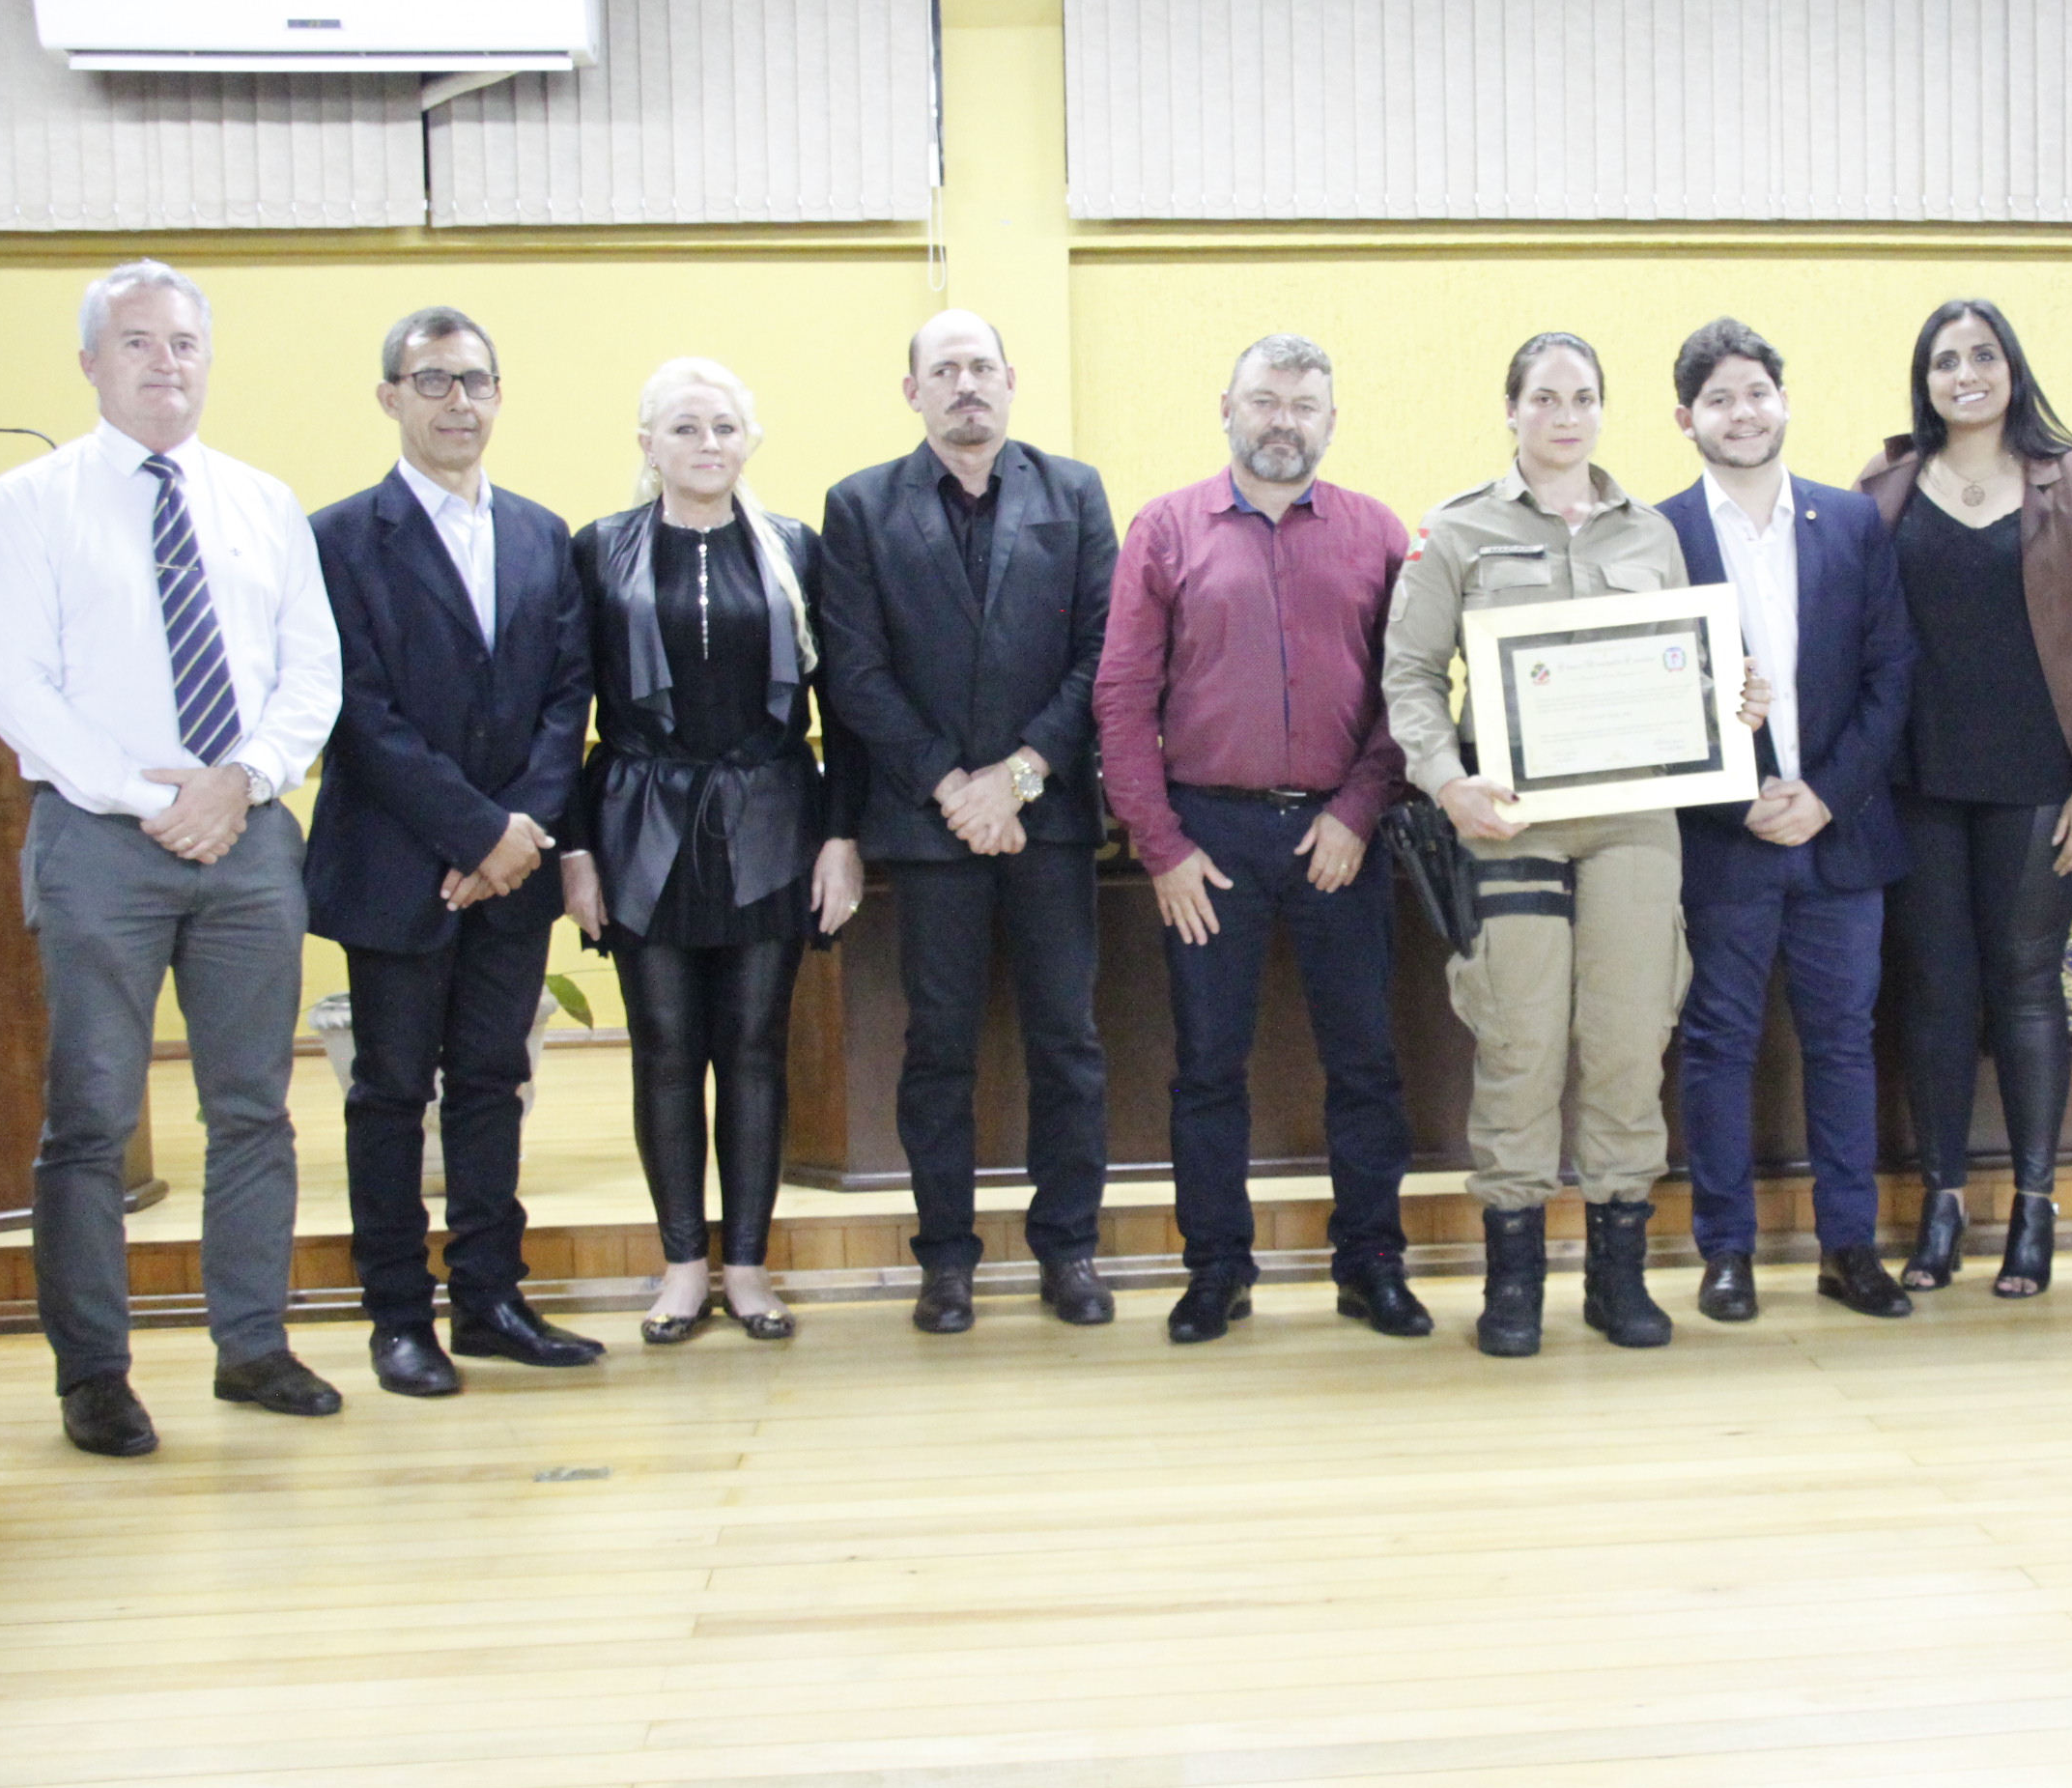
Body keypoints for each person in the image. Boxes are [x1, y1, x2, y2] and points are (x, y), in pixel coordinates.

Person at [0, 259, 345, 1455]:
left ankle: (254, 1344)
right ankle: (93, 1372)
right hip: (99, 842)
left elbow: (311, 674)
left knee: (252, 1107)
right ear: (91, 363)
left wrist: (240, 783)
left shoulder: (261, 501)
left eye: (182, 343)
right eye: (136, 343)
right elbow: (16, 685)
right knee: (88, 1114)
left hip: (246, 838)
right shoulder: (30, 502)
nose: (163, 364)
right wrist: (149, 799)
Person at [1093, 335, 1425, 1344]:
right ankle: (1216, 1270)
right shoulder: (1164, 530)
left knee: (1365, 1063)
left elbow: (1406, 693)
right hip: (1209, 843)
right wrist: (1159, 845)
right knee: (1206, 1067)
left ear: (1333, 419)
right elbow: (1120, 697)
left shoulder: (1377, 533)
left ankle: (1372, 1266)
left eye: (1305, 405)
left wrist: (1359, 810)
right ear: (1227, 410)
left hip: (1342, 835)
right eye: (1266, 402)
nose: (1285, 421)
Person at [303, 306, 605, 1399]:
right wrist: (480, 833)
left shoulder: (539, 532)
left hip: (513, 871)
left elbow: (567, 695)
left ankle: (489, 1298)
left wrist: (519, 835)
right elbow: (360, 713)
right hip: (399, 867)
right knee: (390, 1092)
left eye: (474, 380)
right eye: (431, 382)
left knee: (490, 1081)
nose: (457, 402)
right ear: (389, 397)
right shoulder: (337, 536)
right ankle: (398, 1315)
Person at [1383, 332, 1700, 1356]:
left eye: (1585, 398)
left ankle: (1619, 1276)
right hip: (1509, 819)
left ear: (1605, 412)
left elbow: (1685, 669)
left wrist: (1729, 699)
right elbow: (1410, 680)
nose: (1566, 416)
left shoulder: (1650, 532)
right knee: (1518, 1044)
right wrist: (1447, 784)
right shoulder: (1459, 531)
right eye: (1546, 398)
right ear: (1511, 410)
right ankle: (1512, 1279)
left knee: (1625, 1041)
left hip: (1633, 823)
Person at [817, 310, 1118, 1335]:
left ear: (1011, 379)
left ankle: (1068, 1250)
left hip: (1051, 819)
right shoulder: (859, 507)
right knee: (937, 1046)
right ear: (912, 391)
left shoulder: (1072, 493)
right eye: (942, 370)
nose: (965, 385)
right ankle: (945, 1259)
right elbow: (852, 670)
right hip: (927, 822)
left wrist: (1020, 776)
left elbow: (1102, 651)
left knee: (1067, 1042)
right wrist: (954, 784)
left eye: (980, 366)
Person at [560, 358, 866, 1345]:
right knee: (662, 1048)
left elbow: (844, 708)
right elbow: (564, 707)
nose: (707, 446)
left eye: (725, 428)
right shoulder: (598, 550)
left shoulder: (794, 549)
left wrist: (841, 835)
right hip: (641, 821)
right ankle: (681, 1266)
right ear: (646, 444)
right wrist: (574, 847)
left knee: (753, 1048)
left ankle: (748, 1267)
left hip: (772, 816)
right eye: (685, 429)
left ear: (751, 442)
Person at [1856, 299, 2072, 1300]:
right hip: (1918, 782)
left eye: (1982, 355)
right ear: (1923, 381)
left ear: (2011, 367)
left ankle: (2034, 1208)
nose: (1964, 373)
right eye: (1944, 361)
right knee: (1934, 995)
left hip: (2038, 784)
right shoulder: (1884, 488)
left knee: (2024, 991)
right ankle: (1941, 1205)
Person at [1657, 319, 1916, 1324]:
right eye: (1718, 398)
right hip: (1722, 841)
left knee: (1843, 1043)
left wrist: (1825, 795)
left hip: (1841, 834)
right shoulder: (1659, 532)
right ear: (1687, 418)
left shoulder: (1850, 523)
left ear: (1785, 401)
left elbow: (1893, 675)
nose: (1742, 412)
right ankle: (1725, 1252)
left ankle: (1847, 1246)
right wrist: (1742, 799)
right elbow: (1651, 690)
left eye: (1757, 391)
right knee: (1719, 1045)